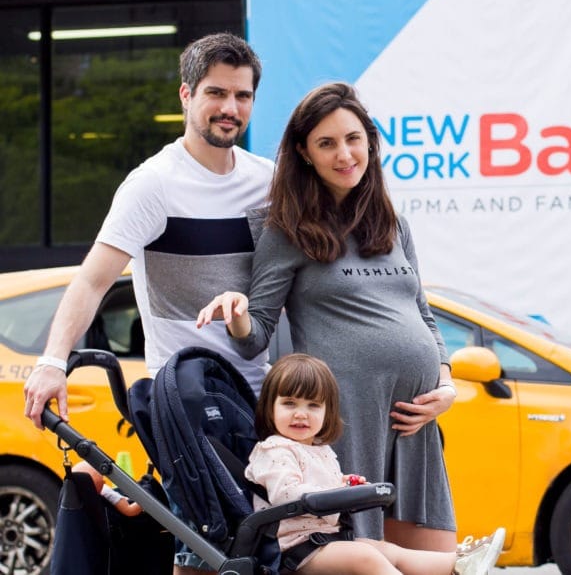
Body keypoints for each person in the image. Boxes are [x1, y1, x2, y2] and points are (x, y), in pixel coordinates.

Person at [24, 32, 274, 575]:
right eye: (216, 93)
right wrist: (51, 362)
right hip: (187, 409)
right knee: (201, 550)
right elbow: (91, 282)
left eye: (242, 96)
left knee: (280, 549)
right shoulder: (154, 185)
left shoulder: (267, 183)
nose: (230, 108)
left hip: (268, 399)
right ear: (186, 95)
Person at [195, 81, 459, 551]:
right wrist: (236, 313)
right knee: (361, 554)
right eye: (327, 143)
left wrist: (445, 385)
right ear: (305, 152)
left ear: (370, 143)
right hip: (347, 420)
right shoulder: (287, 230)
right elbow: (255, 336)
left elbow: (423, 315)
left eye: (353, 139)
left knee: (429, 557)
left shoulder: (394, 224)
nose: (344, 154)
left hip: (413, 423)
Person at [246, 354, 504, 575]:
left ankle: (457, 564)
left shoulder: (319, 450)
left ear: (327, 413)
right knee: (365, 557)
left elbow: (325, 484)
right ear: (270, 408)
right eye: (289, 403)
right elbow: (286, 494)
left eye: (313, 405)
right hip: (293, 548)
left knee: (383, 548)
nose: (300, 413)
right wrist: (335, 496)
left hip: (325, 540)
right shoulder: (274, 449)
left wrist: (347, 486)